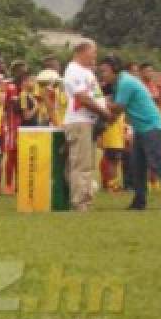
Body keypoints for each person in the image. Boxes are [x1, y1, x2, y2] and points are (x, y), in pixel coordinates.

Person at [98, 55, 161, 211]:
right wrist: (103, 125)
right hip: (141, 128)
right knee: (138, 166)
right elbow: (115, 114)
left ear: (115, 69)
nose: (102, 75)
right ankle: (139, 202)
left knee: (158, 164)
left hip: (152, 127)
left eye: (104, 71)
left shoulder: (125, 83)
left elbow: (117, 108)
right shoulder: (118, 83)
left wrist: (99, 102)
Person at [62, 40, 109, 212]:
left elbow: (94, 95)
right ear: (82, 51)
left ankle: (85, 199)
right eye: (93, 52)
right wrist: (104, 113)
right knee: (80, 165)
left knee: (87, 165)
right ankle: (79, 202)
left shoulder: (86, 71)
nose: (95, 56)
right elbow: (82, 98)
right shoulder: (73, 70)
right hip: (79, 121)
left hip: (89, 121)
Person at [2, 60, 27, 193]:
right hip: (12, 125)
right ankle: (8, 185)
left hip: (24, 126)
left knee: (21, 156)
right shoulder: (10, 86)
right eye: (22, 70)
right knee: (11, 155)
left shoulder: (24, 87)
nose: (24, 73)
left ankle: (19, 184)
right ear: (16, 71)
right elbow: (13, 107)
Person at [98, 82, 127, 193]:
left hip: (117, 136)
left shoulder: (113, 103)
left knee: (114, 161)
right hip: (112, 136)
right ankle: (112, 186)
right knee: (111, 161)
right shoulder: (108, 103)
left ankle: (113, 184)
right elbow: (109, 120)